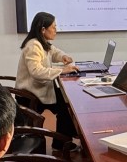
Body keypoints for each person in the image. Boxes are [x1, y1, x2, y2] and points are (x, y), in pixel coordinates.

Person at [15, 10, 79, 142]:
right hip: (30, 95)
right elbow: (36, 72)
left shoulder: (41, 42)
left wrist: (63, 56)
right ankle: (64, 142)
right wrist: (62, 70)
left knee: (66, 102)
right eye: (53, 27)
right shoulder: (33, 45)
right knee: (64, 106)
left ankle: (65, 140)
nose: (56, 30)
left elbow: (54, 52)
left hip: (39, 89)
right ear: (43, 29)